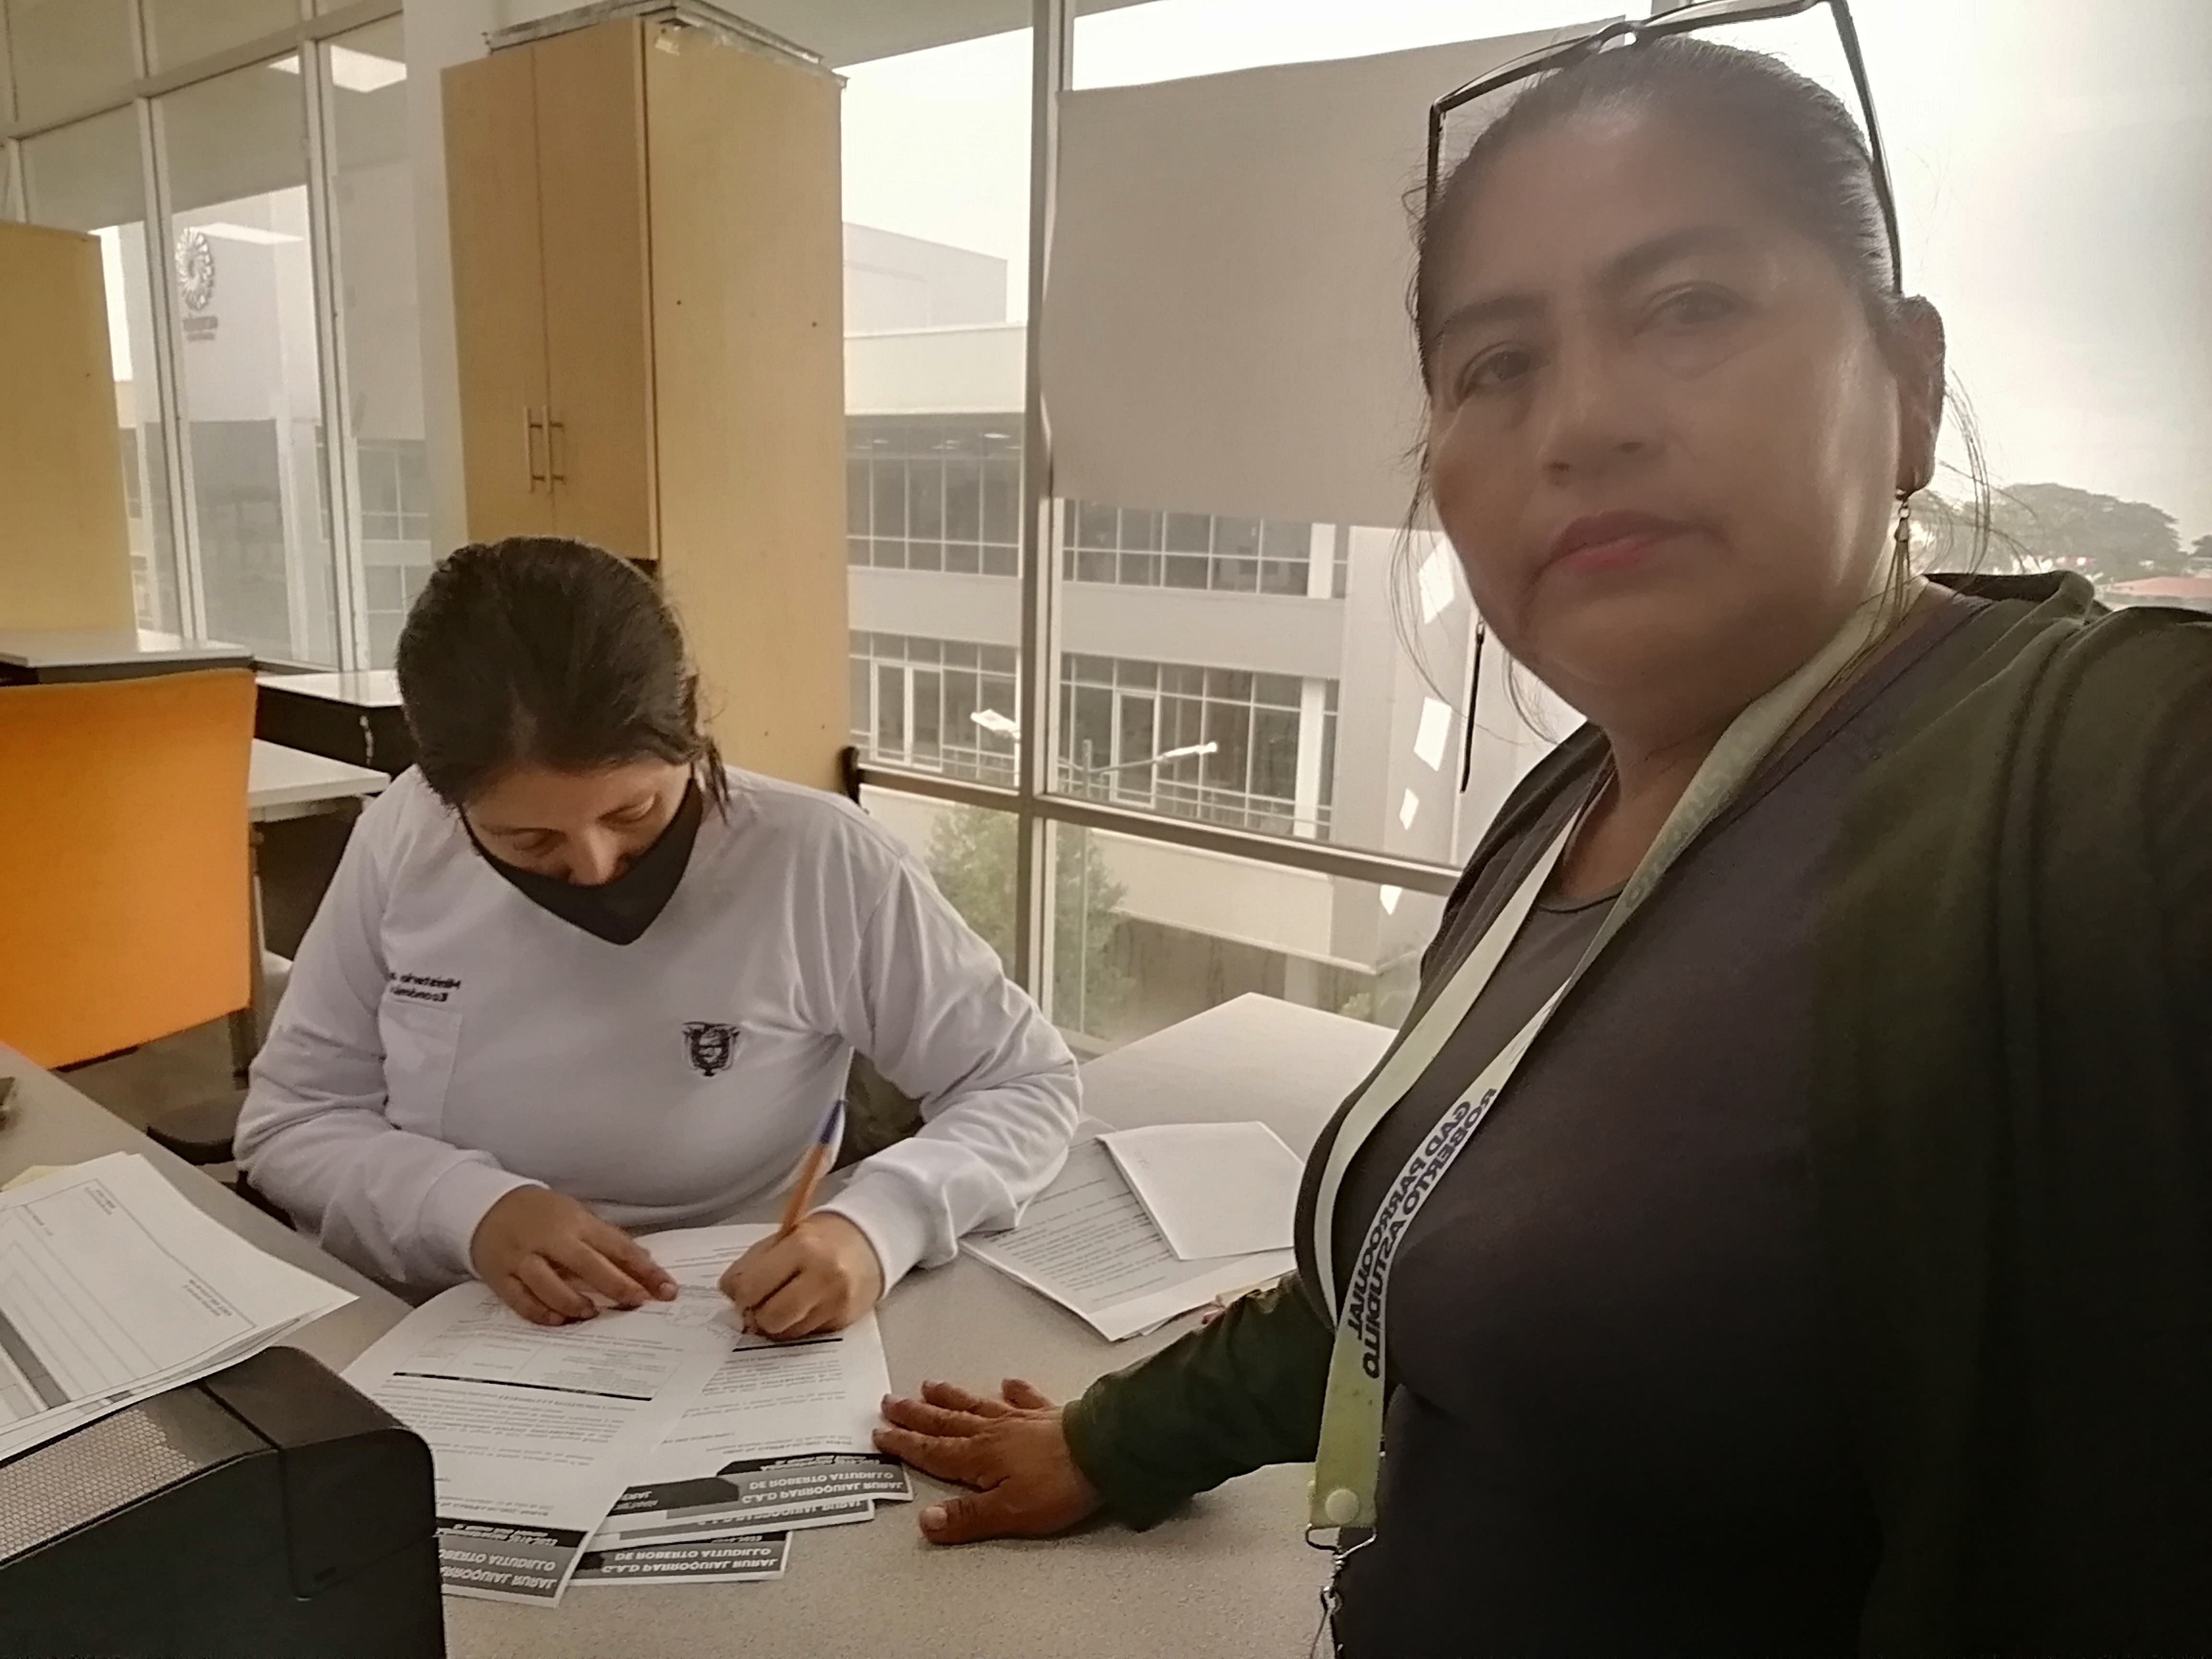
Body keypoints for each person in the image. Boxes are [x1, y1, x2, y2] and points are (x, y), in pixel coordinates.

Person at [872, 33, 2212, 1657]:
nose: (1578, 421)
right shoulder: (1558, 814)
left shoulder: (2096, 776)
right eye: (1494, 365)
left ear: (1909, 385)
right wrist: (1112, 1441)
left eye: (1688, 307)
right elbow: (1434, 1264)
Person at [237, 538, 1079, 1339]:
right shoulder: (405, 835)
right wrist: (466, 1210)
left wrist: (880, 1224)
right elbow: (293, 1121)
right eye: (528, 839)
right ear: (442, 792)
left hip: (725, 1321)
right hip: (436, 1312)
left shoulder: (818, 858)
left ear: (690, 725)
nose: (595, 865)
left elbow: (1023, 1082)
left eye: (633, 810)